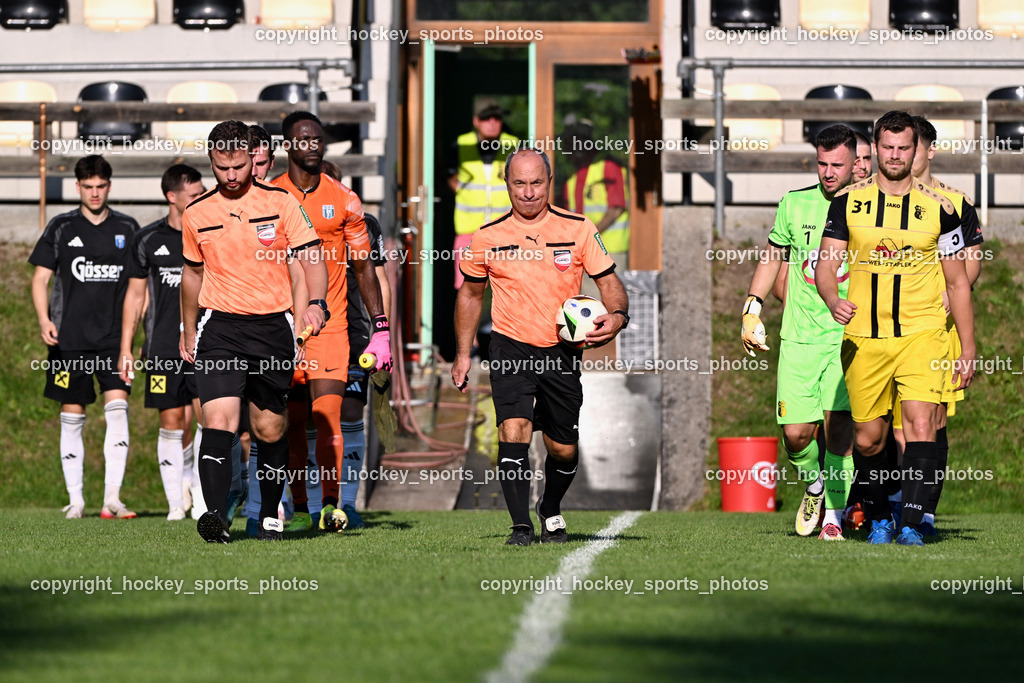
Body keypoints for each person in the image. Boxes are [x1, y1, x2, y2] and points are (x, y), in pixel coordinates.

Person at [452, 147, 629, 546]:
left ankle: (549, 507)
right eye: (520, 183)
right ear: (507, 185)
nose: (529, 192)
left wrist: (617, 318)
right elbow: (469, 296)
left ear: (549, 183)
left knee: (562, 448)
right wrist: (463, 354)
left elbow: (609, 283)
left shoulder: (579, 228)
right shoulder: (487, 237)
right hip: (510, 347)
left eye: (536, 183)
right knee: (513, 430)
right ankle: (520, 527)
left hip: (561, 352)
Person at [816, 110, 976, 547]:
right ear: (876, 146)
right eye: (887, 147)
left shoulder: (940, 210)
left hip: (922, 334)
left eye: (904, 147)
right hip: (865, 337)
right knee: (869, 439)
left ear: (915, 151)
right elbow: (825, 265)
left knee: (921, 421)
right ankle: (882, 513)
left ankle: (911, 522)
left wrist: (967, 347)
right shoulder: (848, 202)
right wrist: (833, 299)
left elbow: (959, 281)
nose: (895, 155)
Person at [180, 120, 330, 543]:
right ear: (211, 161)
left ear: (254, 158)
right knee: (220, 420)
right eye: (222, 167)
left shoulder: (281, 203)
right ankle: (213, 516)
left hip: (272, 327)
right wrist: (187, 328)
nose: (230, 176)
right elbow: (192, 275)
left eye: (239, 166)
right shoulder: (197, 213)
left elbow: (311, 260)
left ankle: (265, 514)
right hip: (220, 327)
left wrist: (316, 306)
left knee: (269, 428)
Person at [270, 111, 391, 534]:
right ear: (287, 145)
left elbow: (365, 268)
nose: (313, 145)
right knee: (285, 422)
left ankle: (332, 505)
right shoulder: (268, 196)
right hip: (276, 329)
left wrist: (381, 328)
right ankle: (293, 504)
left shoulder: (345, 200)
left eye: (318, 138)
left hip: (331, 325)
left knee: (328, 416)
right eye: (304, 138)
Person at [740, 125, 857, 540]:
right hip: (800, 337)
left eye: (837, 165)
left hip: (849, 339)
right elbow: (773, 257)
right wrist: (752, 307)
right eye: (822, 164)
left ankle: (834, 518)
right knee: (796, 435)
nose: (828, 172)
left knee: (840, 430)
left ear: (855, 162)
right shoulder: (794, 203)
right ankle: (814, 486)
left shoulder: (868, 206)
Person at [886, 115, 984, 536]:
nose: (906, 154)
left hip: (936, 330)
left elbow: (972, 261)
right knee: (887, 424)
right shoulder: (881, 198)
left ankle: (920, 511)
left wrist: (949, 295)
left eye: (914, 146)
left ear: (926, 150)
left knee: (931, 420)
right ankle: (891, 506)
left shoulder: (953, 203)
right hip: (887, 327)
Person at [30, 155, 140, 520]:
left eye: (101, 186)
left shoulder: (128, 227)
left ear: (109, 186)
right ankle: (75, 500)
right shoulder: (60, 227)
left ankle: (113, 499)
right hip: (69, 340)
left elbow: (138, 292)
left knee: (118, 412)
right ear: (78, 187)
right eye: (88, 187)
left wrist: (128, 343)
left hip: (112, 340)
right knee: (72, 416)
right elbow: (40, 279)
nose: (94, 193)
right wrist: (44, 319)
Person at [118, 164, 205, 521]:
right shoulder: (148, 239)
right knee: (172, 422)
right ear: (173, 197)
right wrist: (126, 347)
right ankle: (175, 504)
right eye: (195, 194)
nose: (202, 198)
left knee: (209, 419)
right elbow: (135, 297)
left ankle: (202, 499)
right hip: (162, 348)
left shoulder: (209, 232)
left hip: (206, 343)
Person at [324, 159, 392, 529]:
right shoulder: (296, 220)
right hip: (311, 334)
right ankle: (311, 504)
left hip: (353, 335)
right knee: (312, 418)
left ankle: (348, 504)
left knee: (351, 413)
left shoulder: (365, 225)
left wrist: (383, 336)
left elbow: (381, 281)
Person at [448, 98, 519, 289]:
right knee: (469, 288)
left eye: (496, 118)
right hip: (468, 230)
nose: (492, 123)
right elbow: (448, 175)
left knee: (508, 288)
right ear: (476, 121)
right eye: (486, 118)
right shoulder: (460, 145)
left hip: (505, 230)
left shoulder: (513, 145)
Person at [562, 120, 630, 269]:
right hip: (583, 251)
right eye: (570, 141)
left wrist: (588, 237)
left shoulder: (608, 167)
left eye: (579, 141)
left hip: (611, 250)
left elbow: (616, 209)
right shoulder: (572, 178)